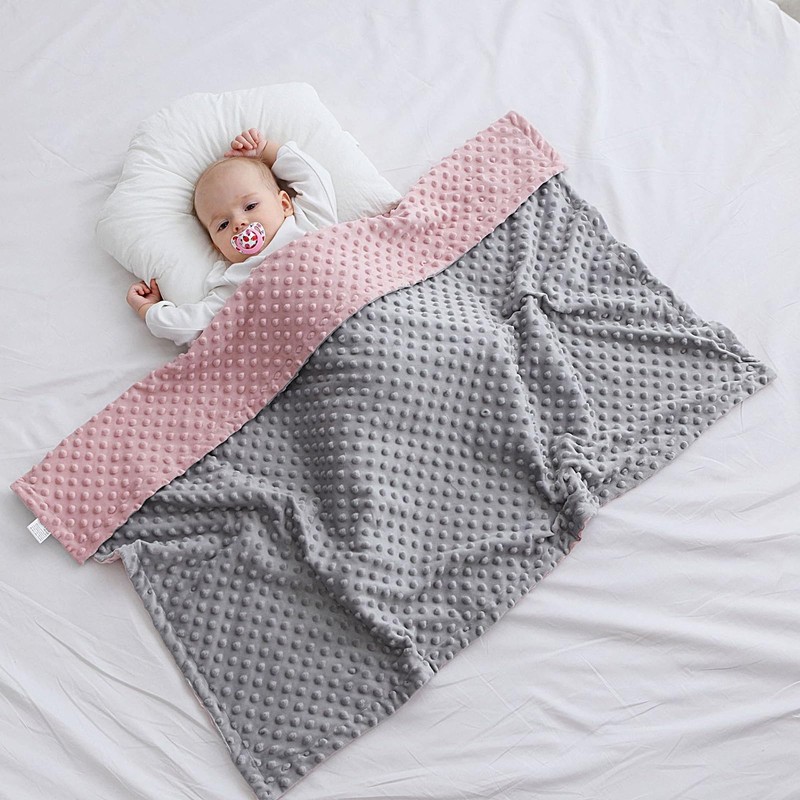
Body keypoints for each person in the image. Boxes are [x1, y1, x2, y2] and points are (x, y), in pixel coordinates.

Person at [125, 128, 337, 346]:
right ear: (217, 247)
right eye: (223, 225)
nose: (239, 223)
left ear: (284, 204)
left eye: (250, 206)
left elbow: (313, 177)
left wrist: (266, 150)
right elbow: (190, 326)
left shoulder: (310, 224)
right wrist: (148, 310)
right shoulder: (235, 282)